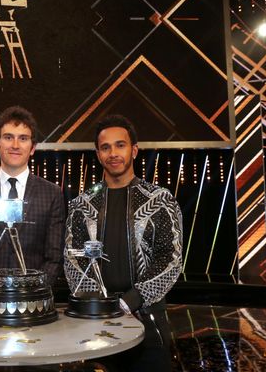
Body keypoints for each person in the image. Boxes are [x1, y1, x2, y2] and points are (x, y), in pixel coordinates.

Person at [64, 114, 182, 371]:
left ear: (134, 150)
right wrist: (100, 303)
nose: (113, 153)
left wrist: (130, 301)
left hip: (148, 319)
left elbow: (170, 259)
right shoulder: (82, 205)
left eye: (120, 145)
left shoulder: (160, 200)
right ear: (98, 154)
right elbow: (74, 260)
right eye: (105, 147)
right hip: (96, 322)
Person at [0, 106, 65, 285]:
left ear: (32, 148)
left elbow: (54, 257)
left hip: (33, 302)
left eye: (23, 138)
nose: (15, 145)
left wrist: (32, 292)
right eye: (8, 137)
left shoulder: (52, 194)